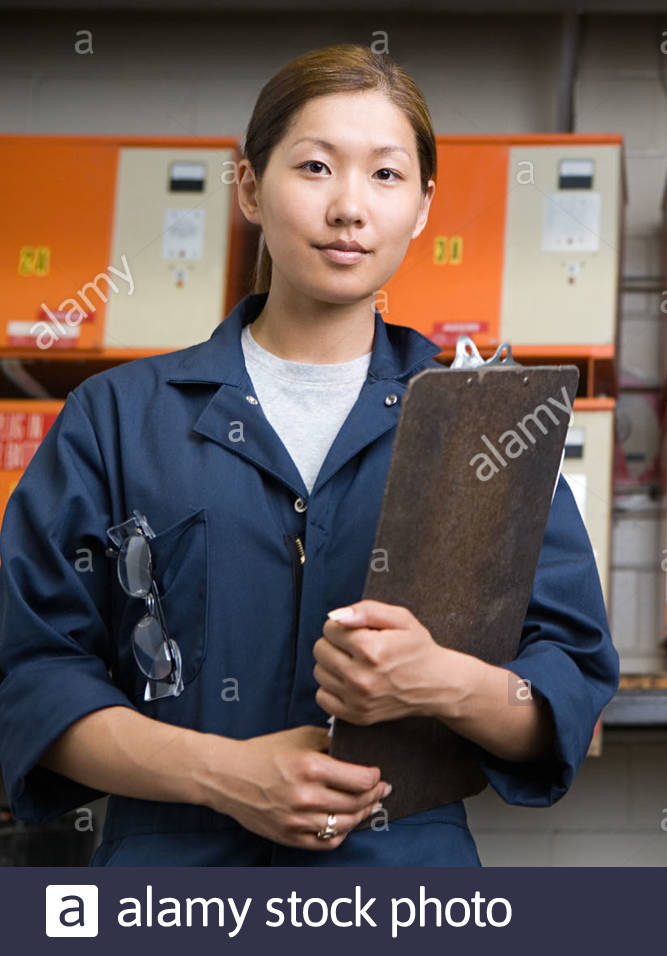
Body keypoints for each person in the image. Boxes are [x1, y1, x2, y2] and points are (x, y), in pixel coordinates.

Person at [0, 44, 618, 866]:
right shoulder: (116, 419)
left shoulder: (488, 424)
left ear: (424, 207)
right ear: (251, 188)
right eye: (316, 167)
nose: (349, 208)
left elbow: (568, 684)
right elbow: (31, 677)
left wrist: (440, 680)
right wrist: (224, 775)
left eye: (387, 176)